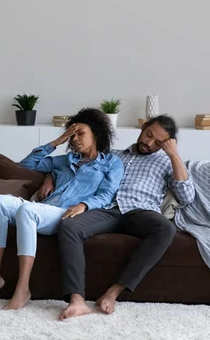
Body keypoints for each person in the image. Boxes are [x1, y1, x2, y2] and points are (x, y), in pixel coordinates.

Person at [55, 114, 196, 319]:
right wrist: (51, 178)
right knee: (69, 226)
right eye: (148, 135)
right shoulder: (114, 155)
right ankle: (76, 300)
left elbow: (187, 197)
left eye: (157, 142)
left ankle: (113, 293)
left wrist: (174, 155)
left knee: (166, 228)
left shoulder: (167, 163)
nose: (148, 143)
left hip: (139, 212)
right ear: (143, 127)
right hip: (107, 210)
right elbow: (75, 167)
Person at [0, 108, 124, 310]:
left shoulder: (111, 163)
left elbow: (107, 194)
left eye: (80, 133)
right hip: (44, 210)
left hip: (67, 214)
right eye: (71, 135)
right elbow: (26, 165)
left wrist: (84, 205)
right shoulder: (64, 160)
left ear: (97, 134)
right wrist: (57, 142)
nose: (74, 139)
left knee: (27, 211)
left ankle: (23, 288)